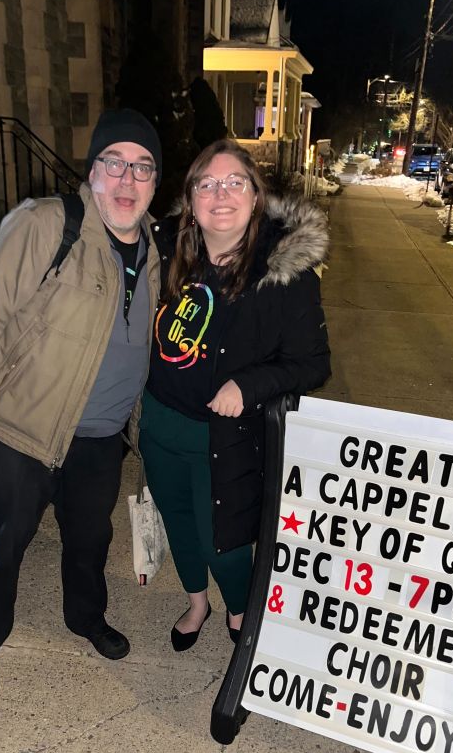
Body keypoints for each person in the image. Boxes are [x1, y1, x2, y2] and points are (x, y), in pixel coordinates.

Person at [0, 108, 162, 697]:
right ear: (93, 173)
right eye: (115, 164)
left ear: (154, 182)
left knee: (90, 542)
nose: (127, 181)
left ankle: (85, 617)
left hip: (99, 439)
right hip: (19, 431)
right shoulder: (46, 224)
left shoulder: (155, 251)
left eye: (142, 168)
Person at [142, 138, 331, 651]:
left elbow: (313, 363)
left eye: (234, 183)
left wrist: (248, 385)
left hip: (224, 438)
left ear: (255, 196)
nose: (220, 194)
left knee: (222, 541)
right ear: (191, 197)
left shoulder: (284, 273)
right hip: (160, 423)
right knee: (178, 522)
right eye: (207, 183)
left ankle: (240, 606)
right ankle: (196, 601)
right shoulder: (167, 250)